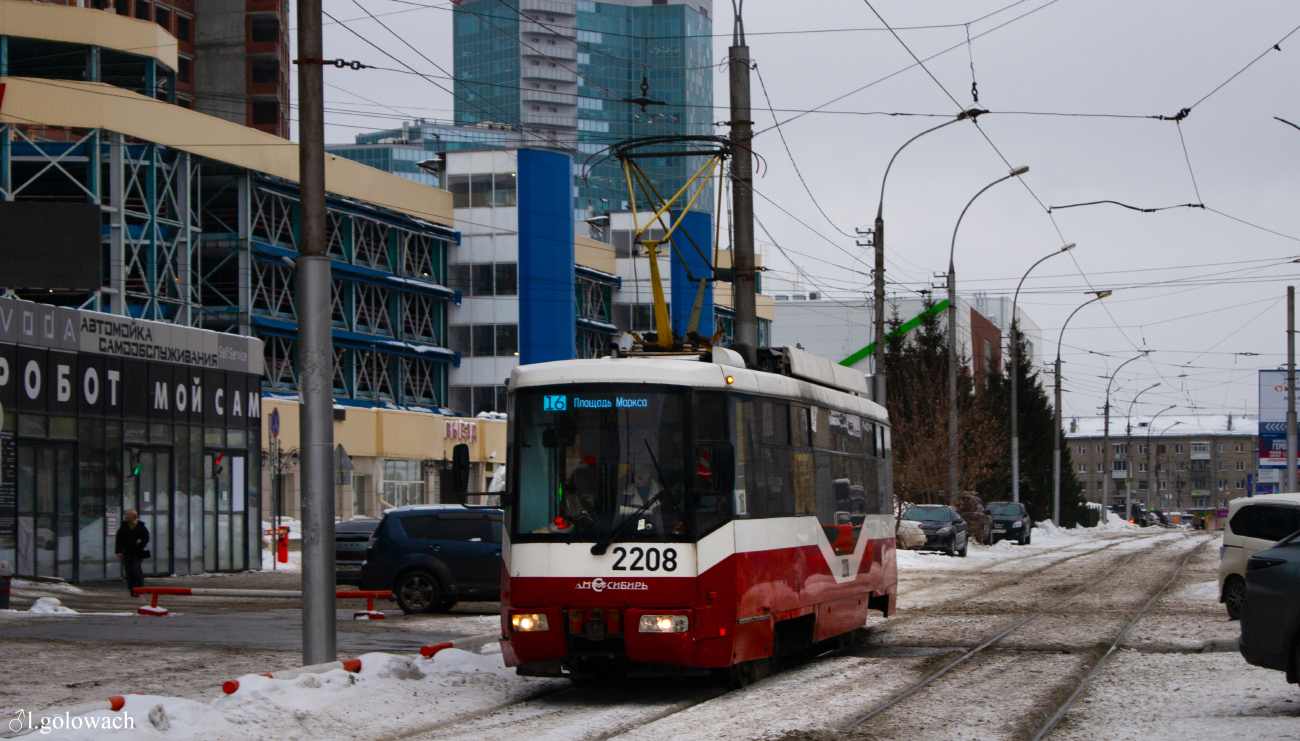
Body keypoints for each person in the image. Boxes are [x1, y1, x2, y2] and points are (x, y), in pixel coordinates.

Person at [114, 510, 150, 595]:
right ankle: (132, 589)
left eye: (127, 514)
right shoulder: (124, 527)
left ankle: (139, 588)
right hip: (127, 551)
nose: (125, 516)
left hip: (137, 551)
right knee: (129, 570)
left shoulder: (140, 526)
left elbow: (146, 537)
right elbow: (119, 540)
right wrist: (118, 551)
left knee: (135, 568)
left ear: (131, 516)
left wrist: (141, 540)